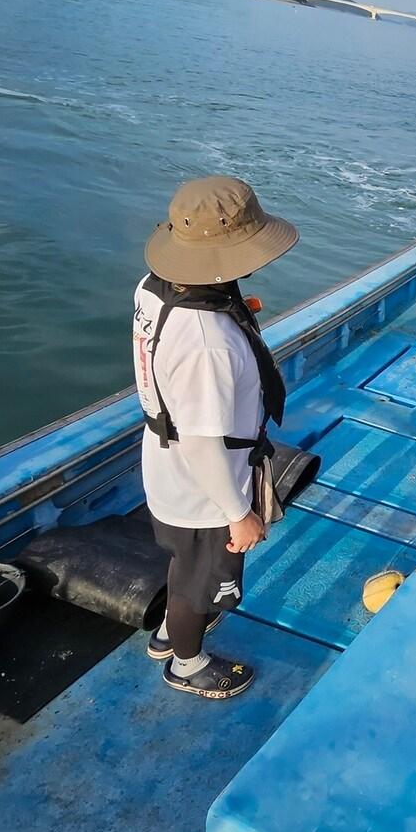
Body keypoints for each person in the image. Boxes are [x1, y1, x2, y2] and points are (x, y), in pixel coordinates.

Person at [132, 175, 298, 699]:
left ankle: (169, 634)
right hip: (205, 487)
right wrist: (238, 513)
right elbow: (203, 443)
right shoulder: (209, 344)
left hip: (163, 464)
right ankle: (186, 661)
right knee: (198, 584)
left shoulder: (154, 288)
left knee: (187, 567)